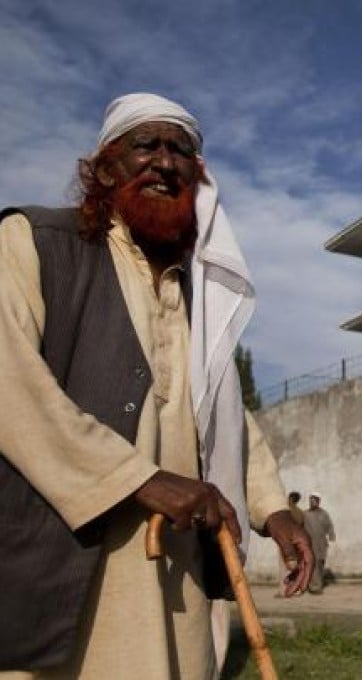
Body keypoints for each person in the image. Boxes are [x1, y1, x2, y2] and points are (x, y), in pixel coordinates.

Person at [0, 93, 313, 678]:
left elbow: (222, 410)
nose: (165, 163)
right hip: (67, 563)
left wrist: (272, 510)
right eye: (146, 145)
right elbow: (9, 384)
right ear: (106, 167)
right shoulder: (35, 243)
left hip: (178, 574)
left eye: (182, 151)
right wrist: (139, 479)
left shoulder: (196, 294)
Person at [304, 491, 336, 594]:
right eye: (311, 500)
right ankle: (315, 588)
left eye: (314, 501)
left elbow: (329, 526)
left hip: (321, 544)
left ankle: (317, 584)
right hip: (310, 544)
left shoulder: (324, 514)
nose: (312, 502)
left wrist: (332, 536)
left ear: (318, 502)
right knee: (313, 564)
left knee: (320, 563)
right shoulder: (305, 514)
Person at [277, 491, 306, 596]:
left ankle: (284, 591)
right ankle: (295, 590)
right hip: (296, 543)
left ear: (290, 499)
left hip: (285, 542)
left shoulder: (285, 512)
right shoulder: (300, 513)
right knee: (295, 567)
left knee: (284, 567)